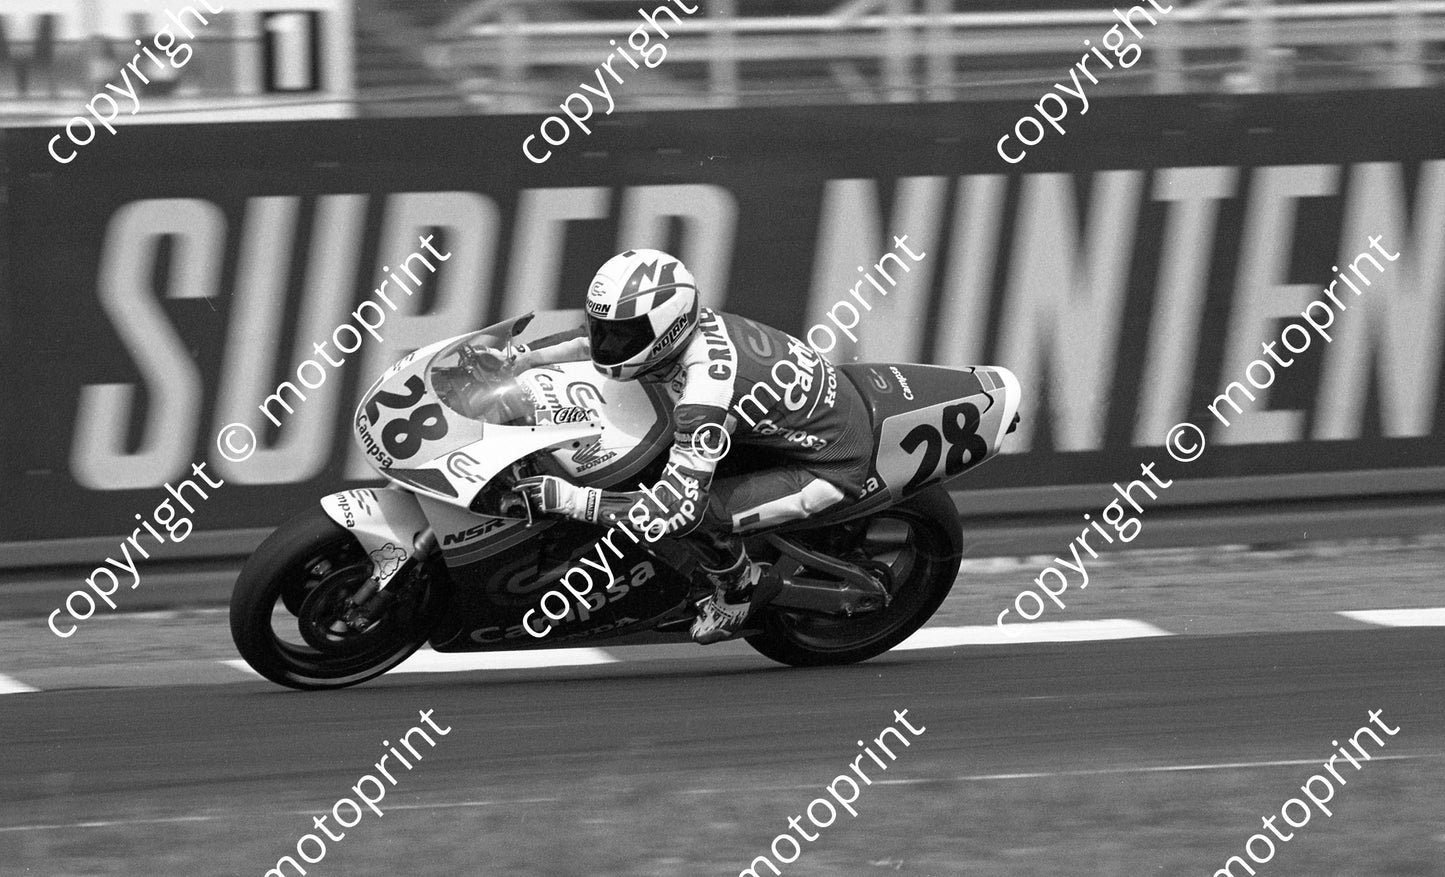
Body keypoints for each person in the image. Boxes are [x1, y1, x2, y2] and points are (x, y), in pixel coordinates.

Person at [511, 248, 874, 643]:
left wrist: (573, 501)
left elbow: (676, 509)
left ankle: (740, 589)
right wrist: (523, 358)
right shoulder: (681, 330)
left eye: (622, 335)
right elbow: (587, 342)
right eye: (605, 328)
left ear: (666, 331)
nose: (606, 343)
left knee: (697, 514)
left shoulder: (706, 389)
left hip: (827, 463)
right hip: (780, 420)